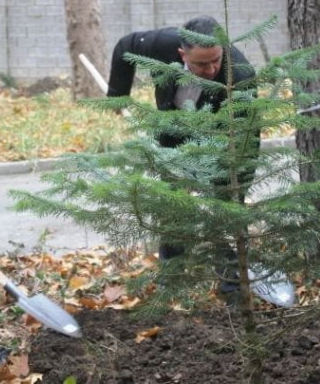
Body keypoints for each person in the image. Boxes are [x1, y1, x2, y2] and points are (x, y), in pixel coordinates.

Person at [107, 15, 256, 288]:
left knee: (225, 208)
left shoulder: (240, 76)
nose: (211, 69)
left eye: (216, 60)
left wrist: (237, 182)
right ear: (181, 54)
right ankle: (172, 276)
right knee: (174, 201)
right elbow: (124, 47)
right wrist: (117, 94)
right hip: (172, 124)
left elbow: (248, 139)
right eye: (201, 63)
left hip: (220, 139)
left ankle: (232, 283)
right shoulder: (160, 45)